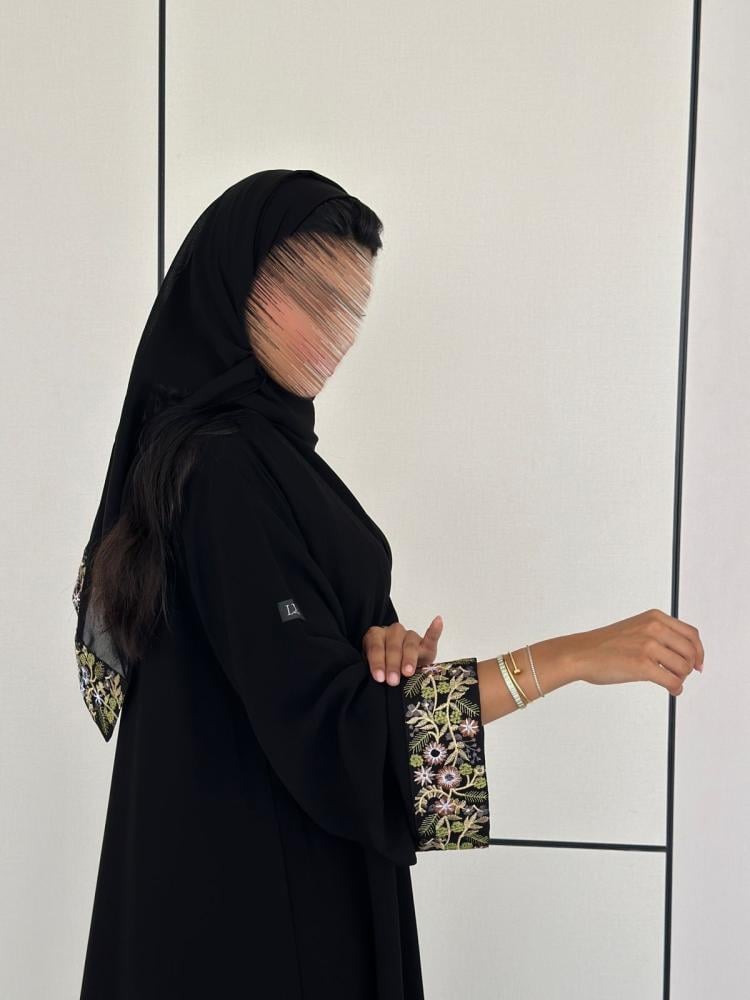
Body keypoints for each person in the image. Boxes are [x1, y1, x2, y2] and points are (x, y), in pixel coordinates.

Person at [73, 168, 704, 1000]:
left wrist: (368, 644)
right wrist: (569, 659)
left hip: (255, 887)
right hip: (256, 920)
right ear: (233, 283)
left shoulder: (263, 458)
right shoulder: (223, 469)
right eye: (311, 295)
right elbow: (333, 732)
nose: (334, 333)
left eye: (352, 307)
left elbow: (289, 671)